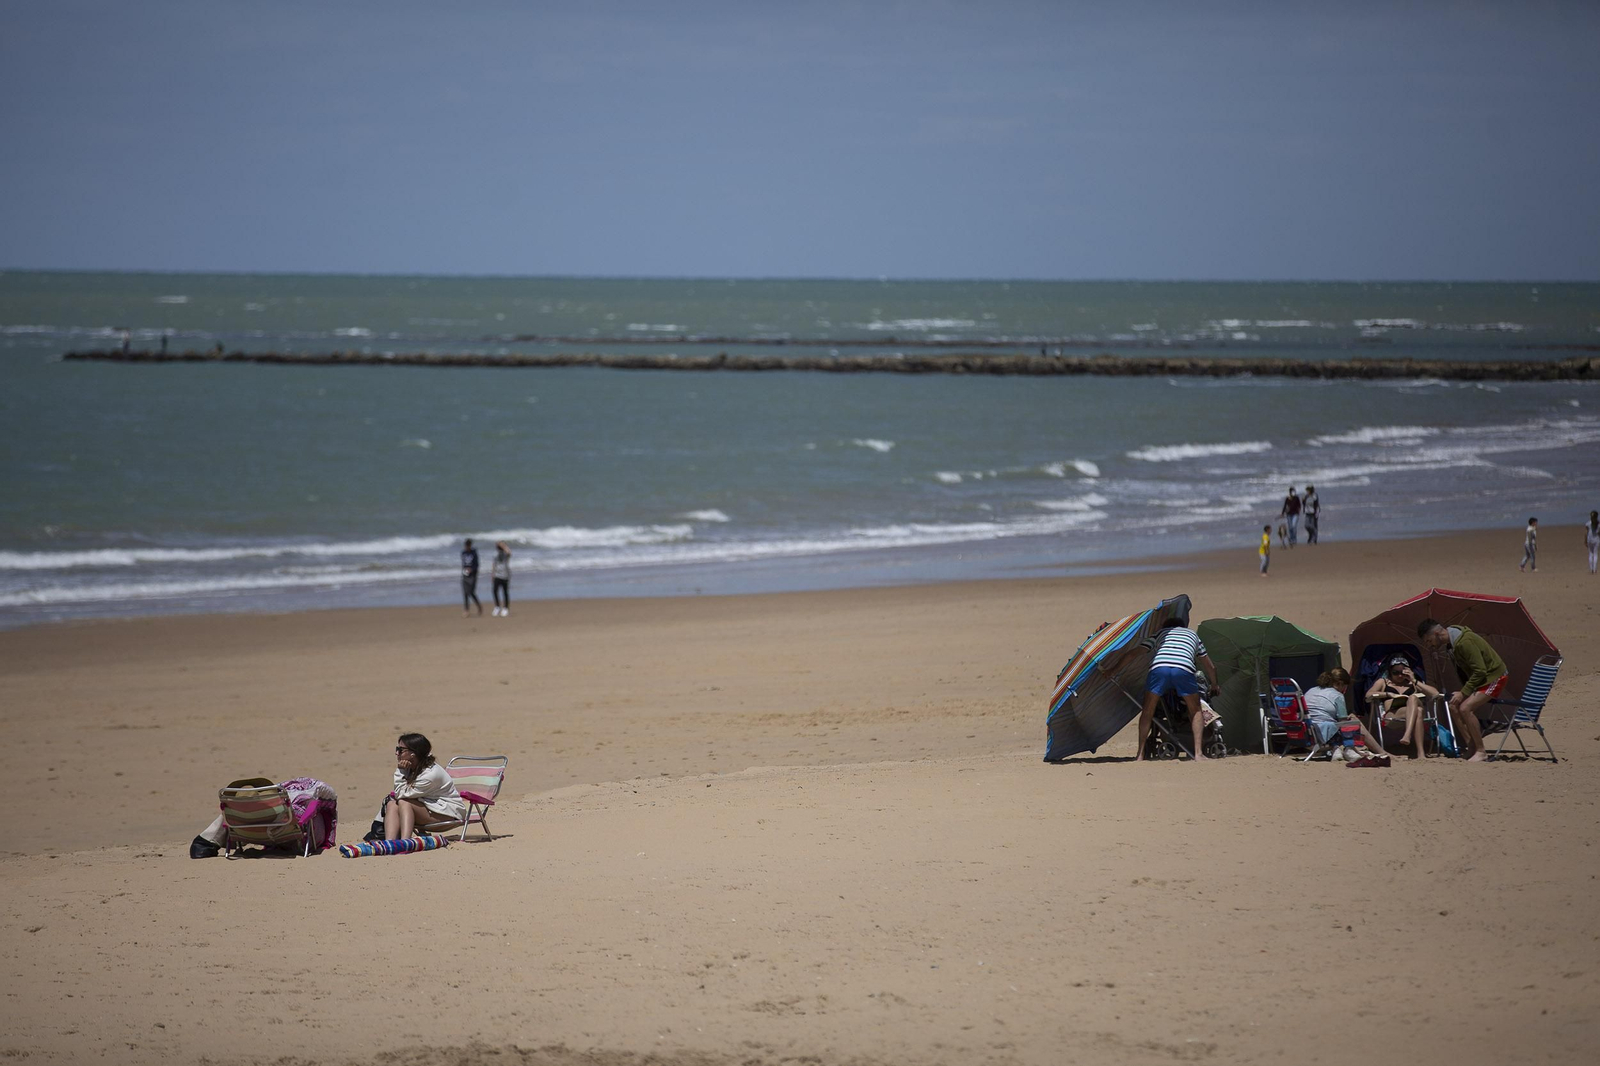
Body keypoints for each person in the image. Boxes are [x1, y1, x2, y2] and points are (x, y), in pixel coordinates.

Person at [1417, 618, 1508, 763]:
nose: (1430, 645)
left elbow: (1480, 671)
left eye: (1429, 641)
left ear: (1436, 633)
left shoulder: (1464, 642)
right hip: (1481, 680)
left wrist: (1463, 693)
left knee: (1465, 708)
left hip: (1494, 677)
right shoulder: (1451, 645)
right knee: (1453, 705)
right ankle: (1471, 746)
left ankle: (1481, 751)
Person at [1134, 618, 1220, 762]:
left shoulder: (1160, 633)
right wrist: (1214, 684)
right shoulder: (1192, 635)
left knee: (1148, 711)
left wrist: (1113, 669)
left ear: (1165, 626)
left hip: (1159, 667)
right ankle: (1198, 753)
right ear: (1182, 627)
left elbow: (1135, 652)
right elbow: (1209, 666)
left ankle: (1140, 755)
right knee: (1195, 710)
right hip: (1184, 668)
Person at [189, 776, 338, 858]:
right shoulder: (283, 810)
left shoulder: (237, 815)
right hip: (288, 836)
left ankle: (205, 843)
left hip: (247, 833)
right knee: (311, 812)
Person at [385, 733, 467, 840]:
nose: (396, 753)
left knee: (404, 802)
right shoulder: (414, 767)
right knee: (392, 804)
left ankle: (406, 842)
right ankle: (389, 843)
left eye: (400, 750)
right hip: (433, 808)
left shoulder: (430, 775)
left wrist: (401, 770)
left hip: (449, 814)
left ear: (413, 754)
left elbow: (400, 793)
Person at [1303, 668, 1388, 761]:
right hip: (1323, 733)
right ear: (1340, 683)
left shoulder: (1311, 690)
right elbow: (1343, 723)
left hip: (1307, 732)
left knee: (1343, 721)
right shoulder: (1337, 695)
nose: (1345, 690)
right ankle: (1354, 750)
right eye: (1345, 686)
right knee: (1353, 721)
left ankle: (1337, 749)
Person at [1365, 657, 1439, 758]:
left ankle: (1407, 735)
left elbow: (1435, 693)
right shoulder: (1383, 682)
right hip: (1393, 715)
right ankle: (1421, 753)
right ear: (1390, 671)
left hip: (1412, 709)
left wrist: (1414, 680)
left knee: (1412, 698)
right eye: (1395, 672)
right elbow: (1368, 695)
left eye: (1403, 673)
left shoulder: (1413, 683)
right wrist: (1387, 694)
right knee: (1419, 710)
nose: (1399, 675)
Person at [460, 537, 482, 616]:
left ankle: (479, 606)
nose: (467, 547)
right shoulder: (463, 553)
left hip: (473, 575)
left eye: (468, 546)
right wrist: (465, 571)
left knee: (471, 592)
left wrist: (471, 569)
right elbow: (463, 564)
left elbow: (477, 565)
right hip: (465, 574)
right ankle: (466, 610)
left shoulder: (474, 553)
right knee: (465, 592)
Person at [490, 540, 512, 617]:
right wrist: (492, 574)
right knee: (494, 591)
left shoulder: (506, 554)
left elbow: (509, 552)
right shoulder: (495, 554)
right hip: (497, 575)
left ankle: (505, 608)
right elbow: (494, 564)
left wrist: (503, 545)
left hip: (505, 575)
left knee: (505, 592)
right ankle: (497, 606)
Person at [1586, 511, 1599, 575]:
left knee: (1591, 554)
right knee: (1595, 554)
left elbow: (1586, 533)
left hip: (1589, 540)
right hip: (1596, 540)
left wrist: (1585, 540)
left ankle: (1591, 569)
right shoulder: (1599, 524)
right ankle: (1594, 569)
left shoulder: (1588, 524)